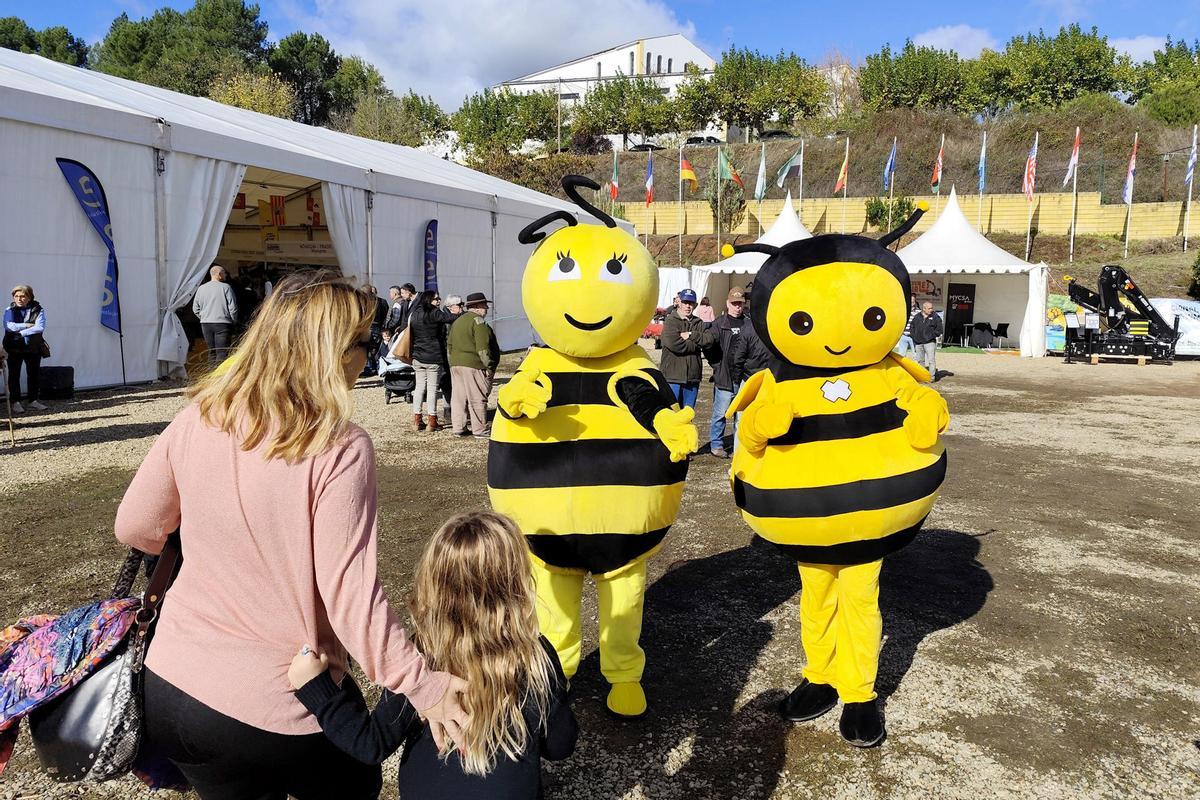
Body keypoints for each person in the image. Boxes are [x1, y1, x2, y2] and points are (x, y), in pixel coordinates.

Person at [115, 270, 470, 799]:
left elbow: (137, 526)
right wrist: (421, 683)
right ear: (325, 352)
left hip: (170, 685)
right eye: (360, 345)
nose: (366, 359)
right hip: (277, 701)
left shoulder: (199, 415)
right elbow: (350, 595)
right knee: (355, 784)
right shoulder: (338, 447)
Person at [288, 510, 577, 799]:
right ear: (516, 582)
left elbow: (370, 743)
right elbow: (560, 747)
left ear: (433, 583)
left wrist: (318, 689)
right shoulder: (536, 656)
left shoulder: (419, 660)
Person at [448, 293, 500, 438]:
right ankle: (480, 430)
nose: (487, 308)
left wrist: (453, 362)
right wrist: (489, 366)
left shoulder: (457, 322)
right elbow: (483, 349)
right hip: (474, 365)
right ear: (477, 307)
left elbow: (449, 346)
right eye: (484, 305)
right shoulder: (478, 322)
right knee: (477, 397)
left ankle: (458, 427)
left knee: (458, 398)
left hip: (456, 364)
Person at [408, 290, 458, 432]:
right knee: (432, 389)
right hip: (433, 356)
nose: (439, 301)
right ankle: (432, 421)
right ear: (429, 300)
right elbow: (450, 318)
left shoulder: (415, 313)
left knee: (419, 388)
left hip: (417, 356)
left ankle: (417, 420)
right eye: (436, 299)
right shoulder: (434, 313)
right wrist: (462, 314)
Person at [705, 286, 746, 458]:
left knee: (742, 415)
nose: (737, 307)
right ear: (727, 303)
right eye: (734, 303)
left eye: (740, 304)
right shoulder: (719, 324)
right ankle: (716, 444)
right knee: (720, 413)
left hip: (744, 376)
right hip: (724, 375)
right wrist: (716, 365)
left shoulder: (749, 324)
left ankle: (741, 446)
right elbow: (709, 344)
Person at [659, 288, 714, 408]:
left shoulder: (698, 322)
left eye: (691, 303)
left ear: (695, 305)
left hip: (692, 377)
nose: (688, 306)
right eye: (685, 303)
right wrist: (697, 344)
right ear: (679, 302)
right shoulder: (670, 321)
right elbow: (675, 344)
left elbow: (709, 340)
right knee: (672, 416)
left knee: (688, 416)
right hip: (672, 376)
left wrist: (691, 335)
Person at [3, 285, 48, 413]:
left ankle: (33, 400)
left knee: (33, 374)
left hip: (33, 347)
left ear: (29, 297)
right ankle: (15, 402)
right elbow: (8, 326)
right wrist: (27, 325)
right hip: (14, 347)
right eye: (16, 296)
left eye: (23, 296)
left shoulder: (38, 309)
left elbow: (39, 327)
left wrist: (21, 332)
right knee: (14, 375)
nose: (19, 299)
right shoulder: (9, 310)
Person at [191, 265, 239, 368]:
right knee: (222, 352)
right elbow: (233, 307)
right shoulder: (226, 287)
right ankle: (219, 377)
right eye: (224, 273)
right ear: (219, 275)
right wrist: (233, 320)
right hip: (223, 323)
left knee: (211, 351)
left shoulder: (201, 288)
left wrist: (203, 317)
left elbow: (195, 308)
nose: (226, 275)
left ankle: (210, 375)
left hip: (206, 324)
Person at [910, 300, 944, 381]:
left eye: (931, 308)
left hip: (930, 342)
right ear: (924, 308)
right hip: (918, 343)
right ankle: (923, 377)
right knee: (920, 361)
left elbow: (939, 329)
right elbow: (912, 327)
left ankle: (931, 377)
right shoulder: (917, 316)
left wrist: (931, 336)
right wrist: (914, 337)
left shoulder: (935, 317)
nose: (931, 310)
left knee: (931, 360)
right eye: (929, 308)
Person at [363, 284, 389, 377]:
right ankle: (374, 367)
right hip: (375, 327)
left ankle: (372, 368)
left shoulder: (368, 302)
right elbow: (386, 315)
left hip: (371, 327)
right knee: (374, 349)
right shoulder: (381, 301)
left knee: (371, 349)